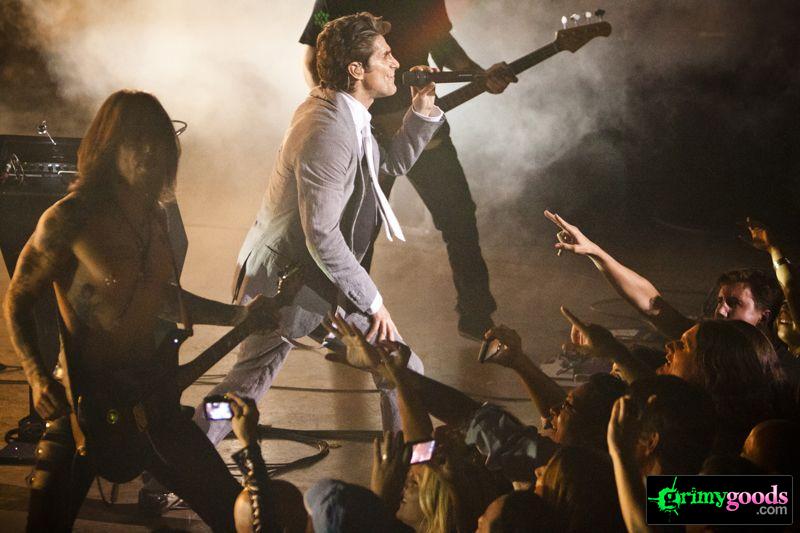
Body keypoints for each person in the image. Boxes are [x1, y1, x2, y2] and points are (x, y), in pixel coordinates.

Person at [3, 90, 253, 531]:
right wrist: (38, 377)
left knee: (236, 514)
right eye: (137, 141)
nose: (150, 152)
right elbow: (19, 297)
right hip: (82, 408)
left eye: (158, 141)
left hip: (152, 403)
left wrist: (240, 317)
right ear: (109, 147)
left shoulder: (157, 217)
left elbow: (161, 298)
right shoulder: (69, 218)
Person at [195, 11, 444, 448]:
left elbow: (388, 166)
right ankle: (407, 466)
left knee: (248, 385)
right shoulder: (327, 129)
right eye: (385, 56)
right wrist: (374, 302)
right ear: (356, 69)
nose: (396, 63)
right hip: (287, 285)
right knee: (397, 369)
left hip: (307, 281)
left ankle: (407, 463)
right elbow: (322, 235)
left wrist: (421, 111)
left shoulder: (344, 113)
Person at [300, 0, 518, 340]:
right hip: (366, 130)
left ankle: (476, 315)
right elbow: (314, 60)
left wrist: (480, 75)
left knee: (459, 217)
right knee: (358, 230)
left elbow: (443, 46)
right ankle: (347, 323)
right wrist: (347, 115)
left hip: (422, 126)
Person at [545, 210, 784, 341]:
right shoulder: (707, 340)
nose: (720, 311)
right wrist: (595, 252)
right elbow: (653, 305)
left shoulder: (776, 368)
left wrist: (775, 250)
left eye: (734, 303)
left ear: (763, 317)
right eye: (721, 301)